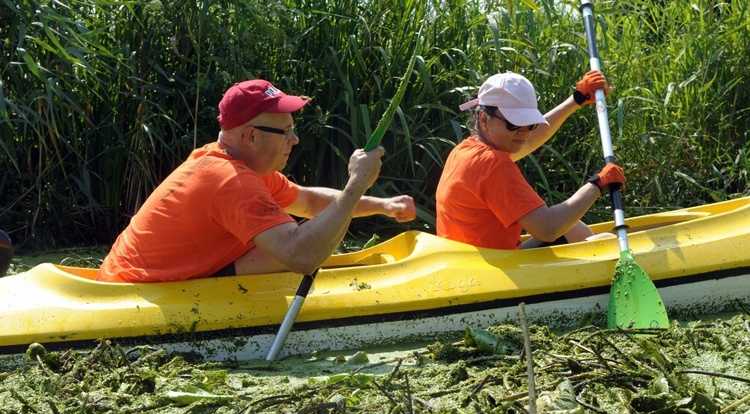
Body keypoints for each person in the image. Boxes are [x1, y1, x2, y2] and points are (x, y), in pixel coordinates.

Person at [97, 80, 416, 282]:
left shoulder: (233, 165)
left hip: (136, 279)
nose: (295, 139)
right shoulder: (232, 182)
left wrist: (383, 205)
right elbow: (302, 256)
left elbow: (308, 201)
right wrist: (356, 184)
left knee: (285, 239)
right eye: (286, 131)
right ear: (250, 136)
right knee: (293, 246)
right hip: (132, 295)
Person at [435, 70, 625, 250]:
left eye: (530, 124)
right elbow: (548, 228)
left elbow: (531, 139)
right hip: (495, 271)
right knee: (608, 243)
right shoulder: (494, 164)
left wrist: (576, 99)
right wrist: (598, 185)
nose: (524, 133)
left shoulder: (465, 151)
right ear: (484, 118)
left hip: (475, 261)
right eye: (514, 124)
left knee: (572, 225)